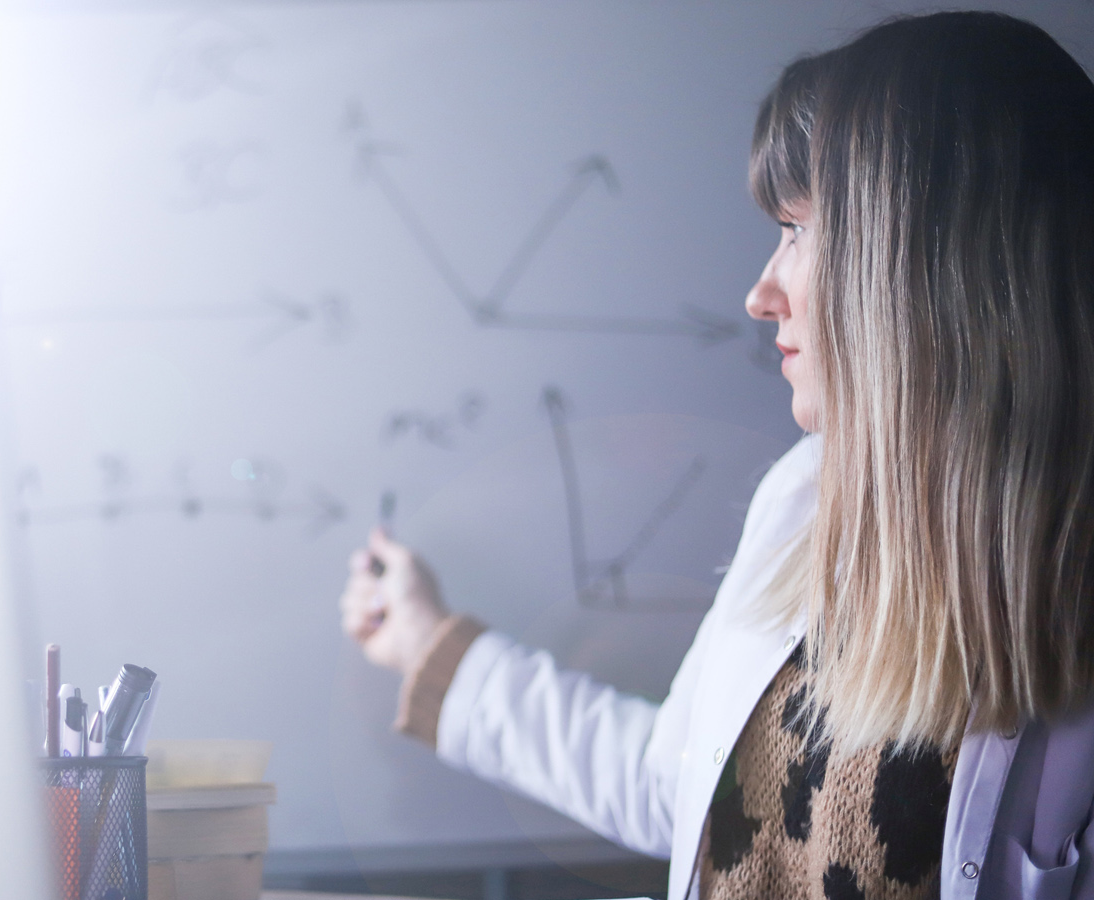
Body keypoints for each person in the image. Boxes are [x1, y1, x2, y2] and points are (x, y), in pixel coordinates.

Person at [339, 12, 1094, 900]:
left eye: (799, 230)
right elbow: (675, 786)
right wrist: (433, 647)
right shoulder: (806, 502)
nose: (759, 293)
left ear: (917, 262)